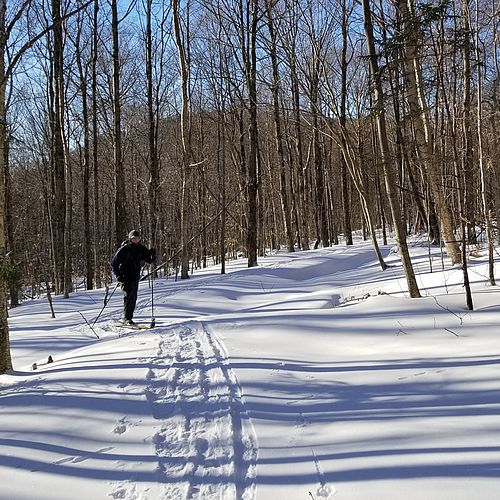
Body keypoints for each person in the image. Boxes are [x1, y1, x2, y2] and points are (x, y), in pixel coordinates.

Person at [111, 230, 156, 325]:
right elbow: (114, 263)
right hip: (125, 276)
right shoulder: (124, 249)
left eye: (138, 238)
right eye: (134, 238)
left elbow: (149, 260)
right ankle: (127, 318)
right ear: (130, 239)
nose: (136, 240)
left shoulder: (141, 248)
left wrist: (152, 254)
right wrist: (118, 275)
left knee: (133, 297)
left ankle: (128, 318)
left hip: (135, 277)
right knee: (129, 296)